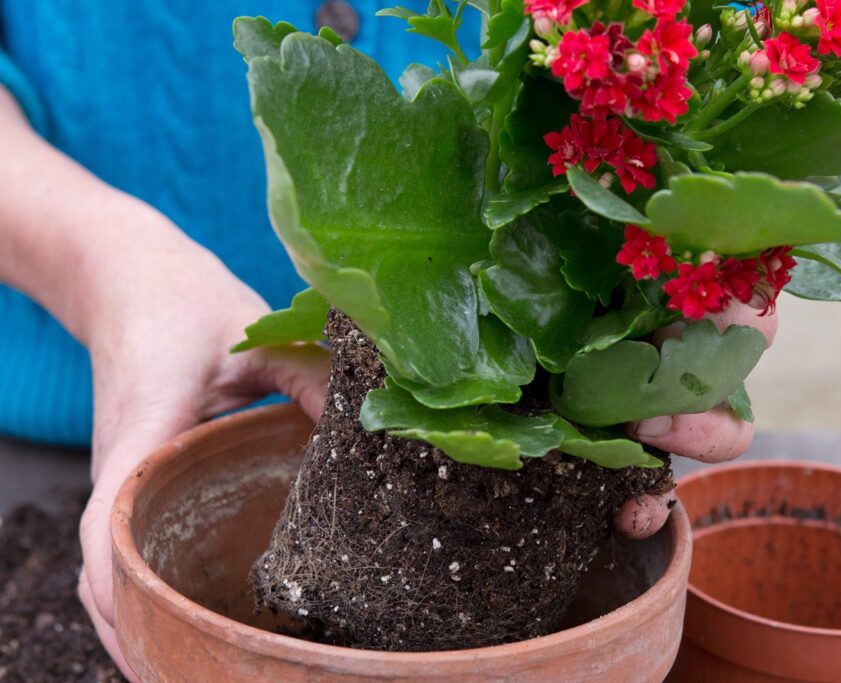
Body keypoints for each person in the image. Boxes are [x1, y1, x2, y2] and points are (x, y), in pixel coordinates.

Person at [0, 2, 775, 677]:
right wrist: (106, 268)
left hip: (567, 375)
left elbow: (738, 41)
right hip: (60, 441)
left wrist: (721, 243)